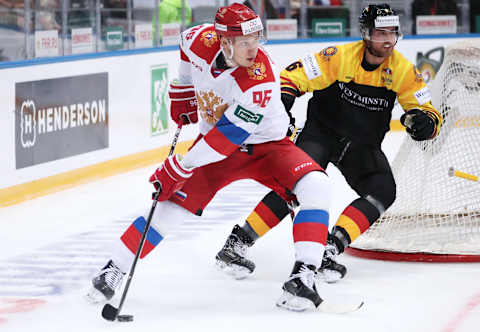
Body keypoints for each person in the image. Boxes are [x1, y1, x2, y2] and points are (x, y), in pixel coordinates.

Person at [87, 2, 335, 312]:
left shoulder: (260, 79)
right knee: (170, 208)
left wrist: (180, 165)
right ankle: (113, 269)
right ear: (224, 41)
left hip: (268, 147)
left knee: (316, 186)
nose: (253, 48)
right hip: (216, 148)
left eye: (256, 38)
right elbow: (184, 49)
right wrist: (183, 90)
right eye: (244, 41)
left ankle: (303, 276)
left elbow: (227, 137)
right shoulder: (198, 39)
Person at [216, 3, 443, 283]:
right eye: (380, 33)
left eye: (392, 33)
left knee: (383, 191)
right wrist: (284, 101)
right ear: (366, 33)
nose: (387, 41)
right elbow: (291, 77)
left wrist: (427, 123)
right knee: (294, 187)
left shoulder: (404, 71)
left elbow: (428, 110)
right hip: (320, 135)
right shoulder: (338, 57)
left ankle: (329, 248)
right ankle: (237, 242)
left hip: (361, 146)